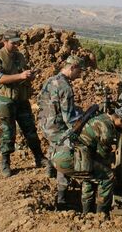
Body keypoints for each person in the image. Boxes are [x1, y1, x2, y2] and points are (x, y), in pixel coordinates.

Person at [52, 104, 122, 214]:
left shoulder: (101, 118)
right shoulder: (107, 130)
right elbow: (102, 157)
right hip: (68, 158)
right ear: (120, 120)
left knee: (90, 175)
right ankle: (102, 214)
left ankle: (87, 214)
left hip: (60, 153)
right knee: (108, 177)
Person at [0, 30, 48, 177]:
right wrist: (20, 75)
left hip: (21, 98)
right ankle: (5, 163)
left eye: (17, 43)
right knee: (8, 132)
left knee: (30, 130)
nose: (16, 45)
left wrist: (29, 76)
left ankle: (39, 158)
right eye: (13, 43)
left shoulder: (19, 56)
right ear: (5, 42)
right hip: (5, 100)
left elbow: (22, 74)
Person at [37, 55, 84, 208]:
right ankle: (62, 198)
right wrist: (82, 120)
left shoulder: (51, 80)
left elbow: (41, 102)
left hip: (44, 124)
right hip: (56, 127)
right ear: (72, 68)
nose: (80, 75)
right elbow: (68, 118)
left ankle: (49, 173)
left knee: (53, 145)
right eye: (79, 71)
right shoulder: (65, 87)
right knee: (65, 152)